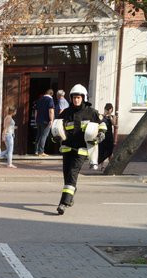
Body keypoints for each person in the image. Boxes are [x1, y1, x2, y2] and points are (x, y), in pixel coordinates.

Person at [51, 84, 106, 215]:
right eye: (74, 98)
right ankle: (70, 196)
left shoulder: (91, 112)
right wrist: (55, 139)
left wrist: (101, 134)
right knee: (67, 176)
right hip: (67, 149)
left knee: (72, 175)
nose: (76, 100)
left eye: (78, 98)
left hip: (81, 150)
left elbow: (102, 124)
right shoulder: (66, 113)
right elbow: (56, 128)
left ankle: (63, 203)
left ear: (83, 98)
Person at [34, 89, 55, 156]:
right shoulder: (50, 100)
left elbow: (36, 111)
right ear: (51, 94)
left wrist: (36, 119)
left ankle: (36, 151)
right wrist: (51, 120)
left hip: (38, 120)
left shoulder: (39, 100)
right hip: (46, 121)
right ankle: (41, 151)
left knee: (38, 135)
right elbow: (51, 110)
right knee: (44, 135)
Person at [98, 103, 117, 169]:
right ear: (105, 109)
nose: (108, 111)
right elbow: (98, 122)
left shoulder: (113, 116)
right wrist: (104, 115)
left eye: (110, 109)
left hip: (109, 136)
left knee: (110, 151)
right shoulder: (101, 116)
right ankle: (102, 166)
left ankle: (111, 166)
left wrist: (110, 117)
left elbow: (114, 124)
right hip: (102, 135)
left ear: (112, 110)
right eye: (107, 109)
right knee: (102, 151)